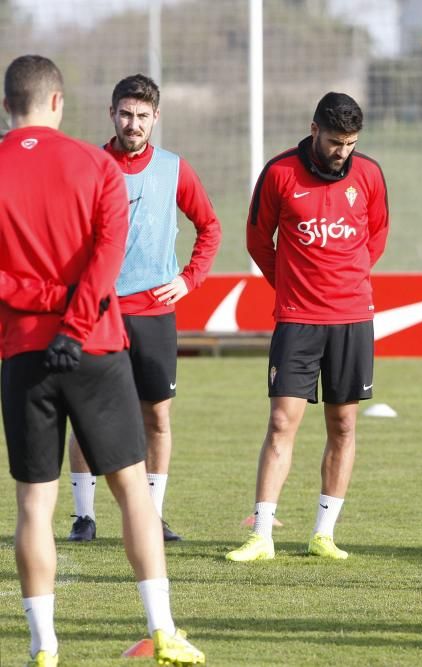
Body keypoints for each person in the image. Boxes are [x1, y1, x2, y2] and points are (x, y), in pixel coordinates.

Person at [0, 54, 204, 667]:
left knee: (35, 504)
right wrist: (76, 314)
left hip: (23, 352)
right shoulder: (95, 164)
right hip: (95, 344)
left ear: (9, 104)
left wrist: (43, 304)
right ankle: (163, 632)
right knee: (133, 495)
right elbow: (108, 254)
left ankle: (43, 647)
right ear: (58, 103)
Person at [227, 90, 390, 562]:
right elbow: (258, 239)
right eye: (336, 141)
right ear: (315, 129)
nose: (343, 152)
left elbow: (376, 234)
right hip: (297, 320)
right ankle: (261, 534)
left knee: (342, 424)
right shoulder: (279, 173)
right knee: (282, 421)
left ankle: (324, 532)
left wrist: (350, 277)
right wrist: (290, 284)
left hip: (353, 319)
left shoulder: (371, 174)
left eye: (351, 143)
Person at [65, 73, 221, 544]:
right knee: (88, 413)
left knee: (157, 417)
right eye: (126, 114)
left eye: (142, 116)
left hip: (154, 313)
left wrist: (188, 279)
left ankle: (151, 514)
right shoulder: (89, 165)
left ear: (156, 118)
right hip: (99, 312)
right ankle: (83, 516)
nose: (134, 123)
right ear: (112, 114)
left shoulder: (174, 168)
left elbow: (209, 227)